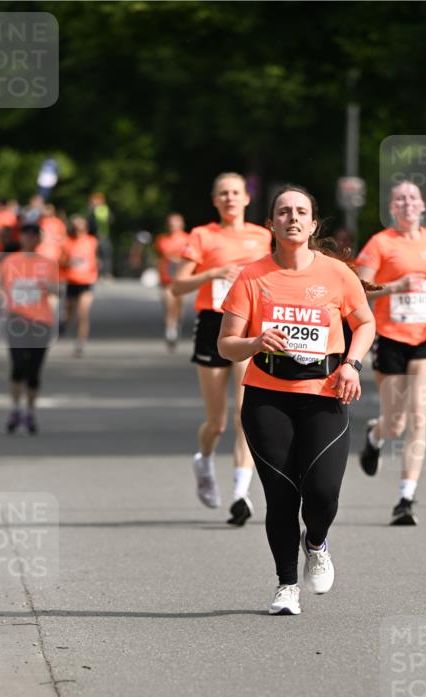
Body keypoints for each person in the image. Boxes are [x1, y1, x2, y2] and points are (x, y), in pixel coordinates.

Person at [218, 185, 376, 614]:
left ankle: (317, 542)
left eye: (301, 212)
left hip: (325, 394)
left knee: (323, 492)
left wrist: (352, 364)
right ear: (271, 223)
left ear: (313, 224)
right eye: (284, 212)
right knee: (282, 496)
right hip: (267, 398)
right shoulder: (252, 276)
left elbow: (365, 323)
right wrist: (255, 342)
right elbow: (226, 345)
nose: (293, 218)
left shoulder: (336, 274)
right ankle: (287, 584)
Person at [354, 181, 426, 525]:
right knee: (396, 423)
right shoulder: (380, 243)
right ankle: (375, 435)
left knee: (418, 416)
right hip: (390, 337)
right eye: (400, 198)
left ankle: (405, 498)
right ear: (392, 208)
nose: (407, 202)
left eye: (413, 197)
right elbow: (359, 289)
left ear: (423, 205)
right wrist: (394, 287)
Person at [172, 173, 272, 526]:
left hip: (251, 325)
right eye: (223, 193)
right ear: (215, 200)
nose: (230, 198)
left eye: (235, 192)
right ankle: (204, 459)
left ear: (246, 198)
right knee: (216, 422)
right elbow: (177, 286)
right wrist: (212, 274)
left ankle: (240, 494)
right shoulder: (202, 235)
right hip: (213, 324)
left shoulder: (263, 237)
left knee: (246, 413)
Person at [0, 223, 58, 433]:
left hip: (41, 322)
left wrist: (48, 286)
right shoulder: (9, 262)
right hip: (16, 320)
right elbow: (0, 287)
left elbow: (58, 289)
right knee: (17, 366)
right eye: (26, 235)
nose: (30, 239)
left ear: (39, 239)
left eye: (34, 236)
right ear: (21, 238)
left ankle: (30, 411)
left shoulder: (48, 264)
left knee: (34, 370)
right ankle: (15, 408)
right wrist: (1, 304)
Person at [61, 215, 98, 357]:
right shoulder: (67, 242)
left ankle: (80, 343)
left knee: (83, 314)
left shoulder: (92, 241)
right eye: (75, 227)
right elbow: (61, 261)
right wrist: (69, 262)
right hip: (71, 281)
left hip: (86, 281)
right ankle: (62, 326)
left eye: (81, 226)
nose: (78, 229)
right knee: (69, 313)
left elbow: (97, 258)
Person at [154, 213, 189, 350]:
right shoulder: (161, 239)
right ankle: (170, 330)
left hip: (182, 278)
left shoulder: (187, 239)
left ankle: (176, 323)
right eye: (170, 223)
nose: (173, 225)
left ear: (181, 224)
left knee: (178, 306)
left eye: (176, 223)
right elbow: (160, 256)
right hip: (166, 278)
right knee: (169, 303)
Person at [87, 193, 113, 278]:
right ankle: (98, 273)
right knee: (96, 255)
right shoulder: (93, 209)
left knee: (104, 255)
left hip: (102, 235)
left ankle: (106, 273)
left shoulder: (102, 209)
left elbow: (105, 219)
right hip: (94, 236)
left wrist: (93, 209)